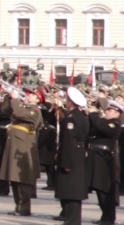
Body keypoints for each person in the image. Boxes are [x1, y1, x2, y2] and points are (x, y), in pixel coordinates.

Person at [0, 90, 42, 217]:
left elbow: (18, 113)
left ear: (38, 100)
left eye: (32, 95)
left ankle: (24, 208)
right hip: (15, 144)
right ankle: (18, 206)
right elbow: (6, 110)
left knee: (22, 178)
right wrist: (8, 97)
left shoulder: (35, 110)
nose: (28, 95)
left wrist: (15, 99)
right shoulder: (22, 107)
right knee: (14, 178)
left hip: (23, 145)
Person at [54, 87, 89, 225]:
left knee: (71, 191)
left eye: (67, 99)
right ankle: (71, 219)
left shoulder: (72, 118)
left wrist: (66, 162)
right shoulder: (80, 116)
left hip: (72, 157)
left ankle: (72, 221)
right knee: (69, 191)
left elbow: (70, 141)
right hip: (77, 155)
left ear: (70, 101)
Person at [86, 99, 123, 225]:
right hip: (96, 157)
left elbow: (101, 126)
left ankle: (109, 218)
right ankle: (105, 217)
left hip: (104, 158)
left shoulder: (115, 124)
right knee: (99, 188)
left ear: (118, 113)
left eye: (110, 110)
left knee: (104, 189)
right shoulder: (104, 122)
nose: (107, 112)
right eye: (107, 109)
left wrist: (93, 114)